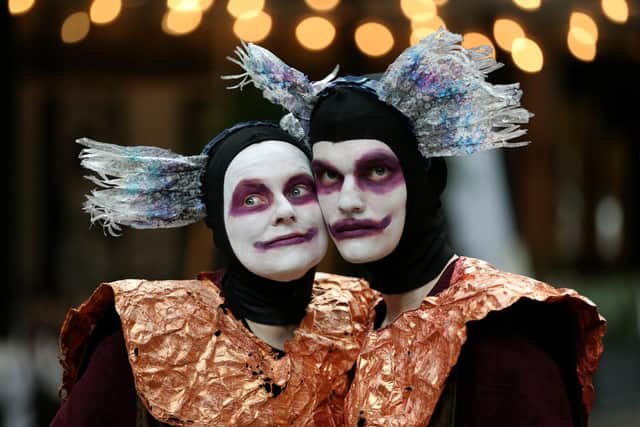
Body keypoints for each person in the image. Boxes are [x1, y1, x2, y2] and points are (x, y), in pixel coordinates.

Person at [226, 29, 606, 426]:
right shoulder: (345, 330)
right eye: (328, 176)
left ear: (426, 181)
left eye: (375, 171)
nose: (348, 200)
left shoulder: (498, 334)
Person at [50, 121, 379, 426]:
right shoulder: (151, 332)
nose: (284, 211)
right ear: (220, 227)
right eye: (251, 199)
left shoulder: (369, 315)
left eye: (297, 191)